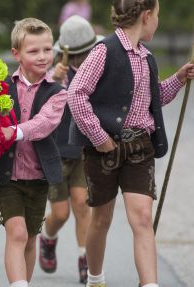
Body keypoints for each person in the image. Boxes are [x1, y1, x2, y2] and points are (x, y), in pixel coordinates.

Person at [67, 0, 194, 287]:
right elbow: (76, 94)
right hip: (105, 150)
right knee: (101, 218)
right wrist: (99, 138)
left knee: (142, 217)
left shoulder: (146, 57)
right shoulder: (104, 51)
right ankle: (95, 279)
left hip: (140, 147)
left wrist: (179, 78)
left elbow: (154, 98)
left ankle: (149, 284)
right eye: (158, 15)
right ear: (147, 16)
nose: (158, 21)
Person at [0, 18, 68, 287]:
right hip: (6, 175)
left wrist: (15, 131)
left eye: (47, 49)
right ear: (17, 54)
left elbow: (44, 123)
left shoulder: (57, 93)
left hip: (38, 177)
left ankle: (24, 281)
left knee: (31, 236)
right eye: (33, 51)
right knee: (17, 232)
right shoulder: (1, 88)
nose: (43, 56)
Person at [38, 15, 103, 284]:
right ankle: (48, 237)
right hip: (55, 151)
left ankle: (84, 260)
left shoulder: (97, 71)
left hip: (82, 150)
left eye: (86, 53)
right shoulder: (51, 73)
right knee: (61, 213)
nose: (81, 59)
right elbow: (40, 105)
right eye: (75, 55)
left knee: (82, 205)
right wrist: (55, 80)